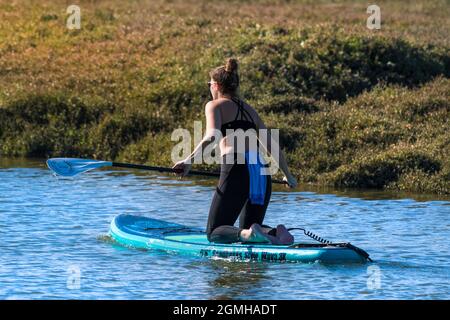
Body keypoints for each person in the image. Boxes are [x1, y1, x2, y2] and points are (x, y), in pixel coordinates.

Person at [173, 58, 298, 245]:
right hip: (261, 169)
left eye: (209, 84)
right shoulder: (250, 110)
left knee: (214, 232)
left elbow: (212, 135)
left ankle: (248, 234)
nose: (209, 88)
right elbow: (271, 145)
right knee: (251, 225)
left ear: (216, 85)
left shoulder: (214, 105)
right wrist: (288, 175)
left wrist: (188, 161)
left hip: (237, 165)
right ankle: (277, 232)